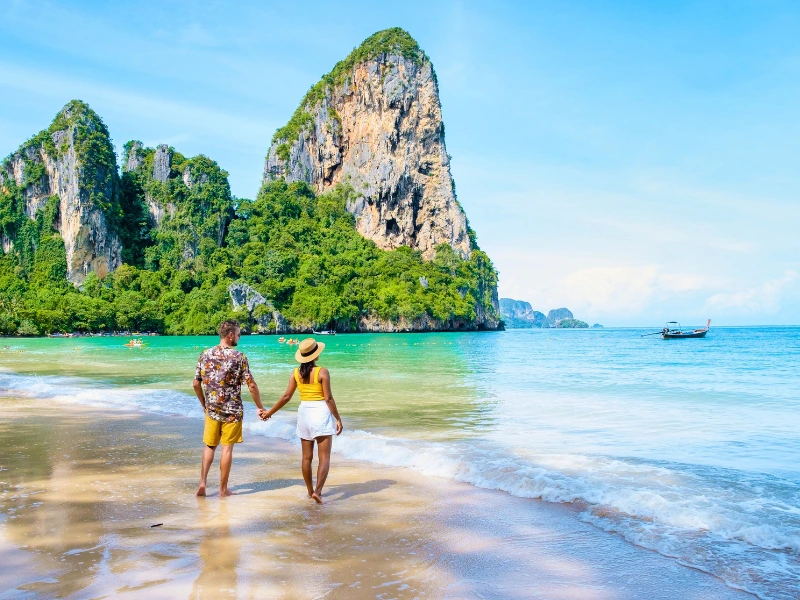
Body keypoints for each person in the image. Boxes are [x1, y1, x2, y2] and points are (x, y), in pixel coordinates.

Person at [261, 337, 343, 503]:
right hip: (320, 413)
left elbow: (286, 397)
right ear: (316, 355)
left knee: (306, 458)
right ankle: (318, 492)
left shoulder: (296, 373)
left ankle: (309, 491)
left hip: (304, 413)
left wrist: (270, 412)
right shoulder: (322, 372)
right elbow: (328, 399)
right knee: (324, 458)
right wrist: (338, 418)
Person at [193, 319, 268, 497]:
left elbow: (196, 384)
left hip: (211, 409)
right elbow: (251, 385)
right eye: (238, 334)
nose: (239, 338)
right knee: (226, 449)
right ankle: (222, 489)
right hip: (232, 411)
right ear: (230, 335)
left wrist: (204, 404)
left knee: (210, 446)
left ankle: (203, 483)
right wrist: (260, 407)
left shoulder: (205, 355)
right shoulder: (239, 357)